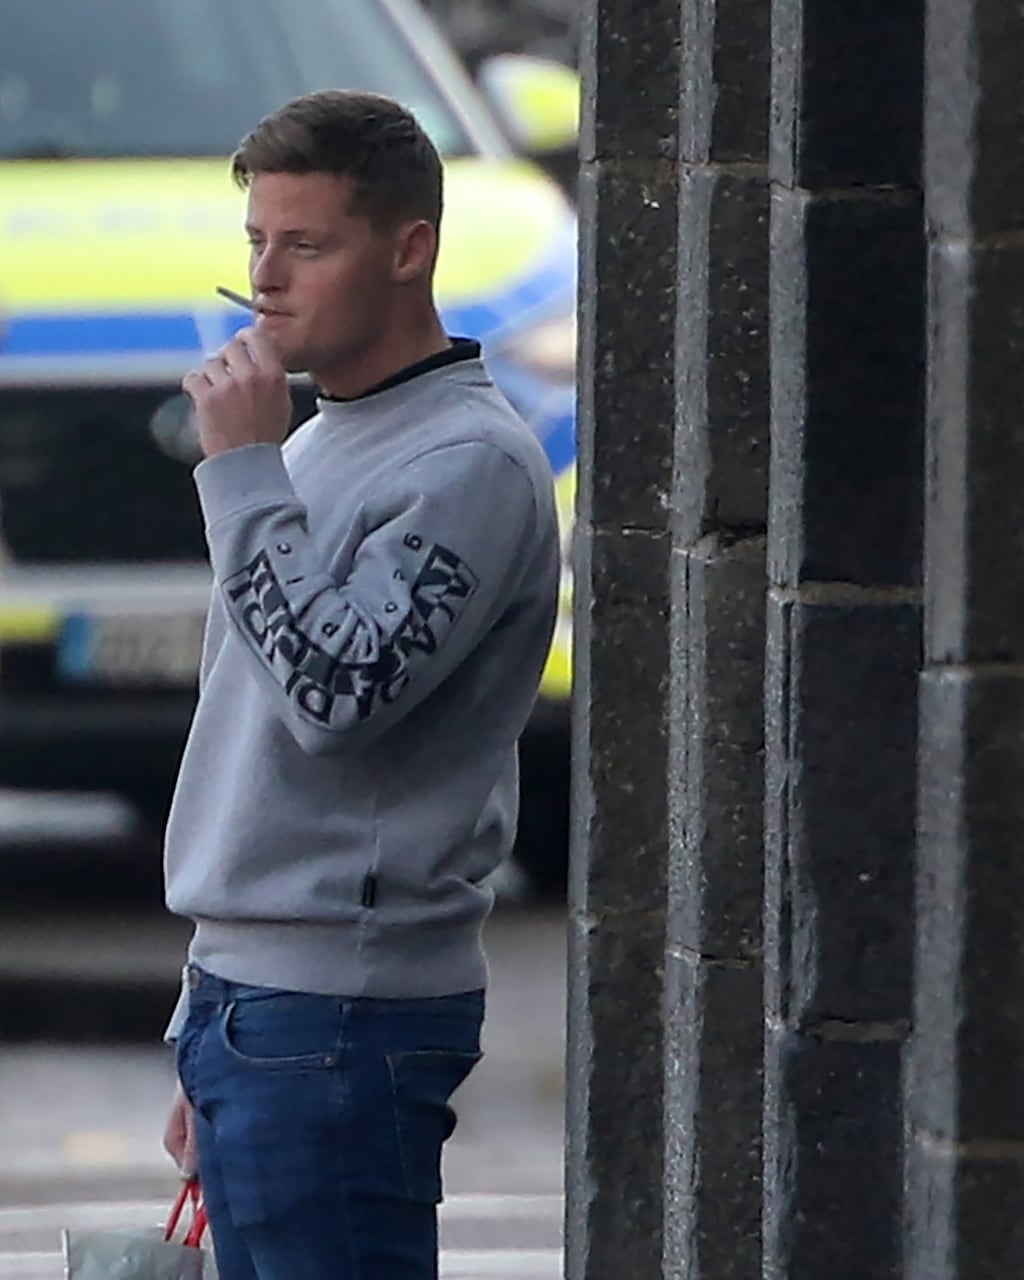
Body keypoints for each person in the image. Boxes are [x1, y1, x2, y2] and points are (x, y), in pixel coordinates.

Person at [159, 88, 560, 1280]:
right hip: (257, 1005)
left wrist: (237, 472)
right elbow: (250, 751)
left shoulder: (468, 463)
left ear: (409, 248)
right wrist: (199, 1018)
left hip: (342, 1020)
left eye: (307, 243)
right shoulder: (316, 440)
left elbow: (336, 694)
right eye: (256, 242)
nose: (267, 278)